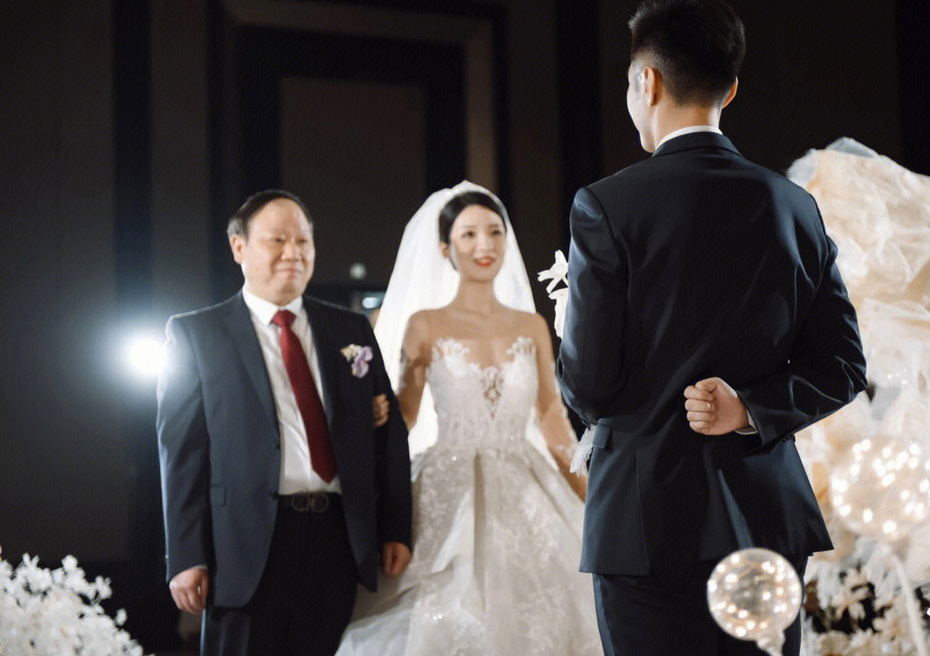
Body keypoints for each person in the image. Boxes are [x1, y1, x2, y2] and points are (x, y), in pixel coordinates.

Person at [557, 1, 868, 655]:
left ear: (646, 83)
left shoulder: (606, 206)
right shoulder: (794, 208)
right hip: (763, 514)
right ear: (730, 89)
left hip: (643, 524)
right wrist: (749, 408)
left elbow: (589, 385)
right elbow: (843, 365)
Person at [336, 181, 601, 655]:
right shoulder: (425, 323)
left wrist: (591, 494)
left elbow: (550, 417)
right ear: (445, 249)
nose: (485, 245)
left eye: (495, 232)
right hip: (447, 484)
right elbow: (406, 414)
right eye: (469, 234)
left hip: (526, 484)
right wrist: (370, 421)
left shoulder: (530, 326)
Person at [156, 189, 413, 655]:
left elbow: (387, 432)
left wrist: (395, 527)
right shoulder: (197, 335)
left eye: (303, 241)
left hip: (337, 539)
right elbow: (182, 453)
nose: (293, 253)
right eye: (277, 240)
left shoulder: (350, 330)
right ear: (239, 247)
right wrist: (187, 555)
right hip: (244, 545)